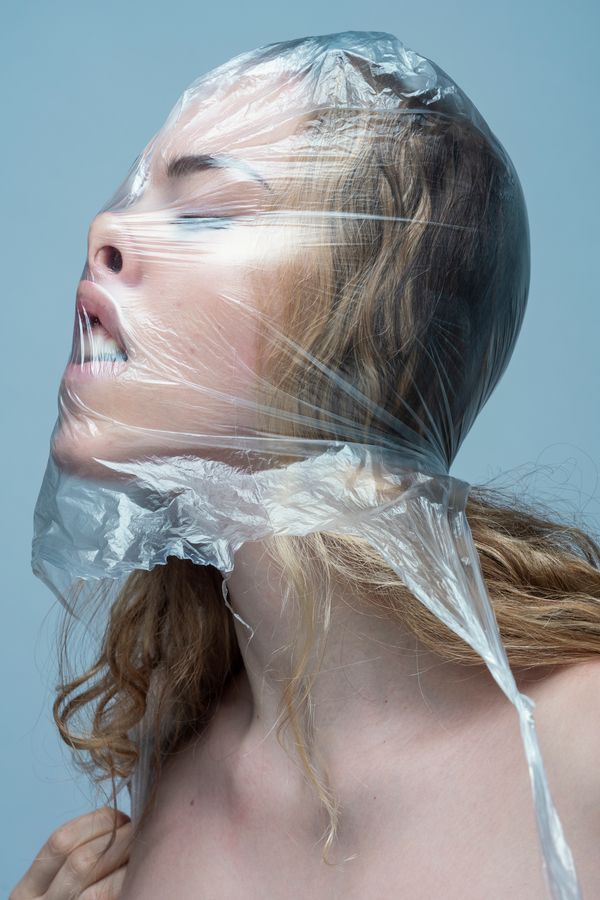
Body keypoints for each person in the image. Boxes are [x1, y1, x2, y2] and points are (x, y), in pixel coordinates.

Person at [12, 31, 600, 899]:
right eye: (135, 193)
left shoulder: (582, 750)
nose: (106, 230)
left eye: (205, 212)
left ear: (366, 321)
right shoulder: (168, 770)